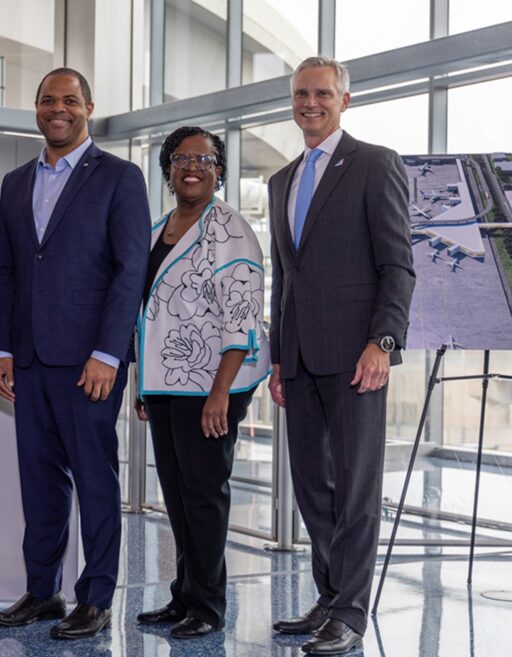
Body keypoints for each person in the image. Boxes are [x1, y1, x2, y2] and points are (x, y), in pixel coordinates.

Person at [0, 68, 150, 640]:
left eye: (70, 101)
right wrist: (2, 346)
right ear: (35, 108)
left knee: (95, 482)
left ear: (89, 107)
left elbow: (131, 271)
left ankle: (97, 595)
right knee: (40, 481)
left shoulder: (121, 178)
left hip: (89, 364)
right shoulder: (12, 183)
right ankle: (42, 591)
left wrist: (109, 353)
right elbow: (5, 270)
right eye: (49, 101)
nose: (59, 109)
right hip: (29, 359)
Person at [268, 56, 414, 655]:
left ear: (344, 100)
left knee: (355, 490)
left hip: (358, 359)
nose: (310, 103)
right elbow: (285, 277)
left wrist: (382, 343)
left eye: (322, 93)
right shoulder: (281, 181)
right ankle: (329, 598)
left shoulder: (375, 164)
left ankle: (350, 615)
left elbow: (397, 265)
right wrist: (279, 356)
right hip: (300, 361)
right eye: (302, 93)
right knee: (313, 489)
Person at [134, 127, 270, 639]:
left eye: (205, 159)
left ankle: (209, 607)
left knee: (204, 494)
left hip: (214, 386)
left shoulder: (231, 230)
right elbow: (147, 314)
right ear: (169, 168)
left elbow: (241, 321)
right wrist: (147, 386)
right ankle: (184, 596)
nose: (192, 166)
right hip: (168, 383)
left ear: (219, 170)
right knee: (176, 494)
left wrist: (219, 394)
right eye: (182, 158)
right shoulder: (156, 228)